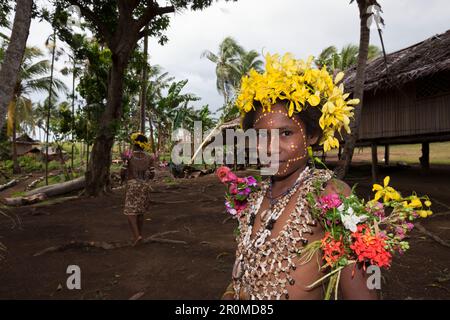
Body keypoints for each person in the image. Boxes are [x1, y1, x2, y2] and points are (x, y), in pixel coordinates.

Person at [221, 53, 378, 300]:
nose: (272, 148)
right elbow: (242, 274)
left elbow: (366, 288)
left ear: (312, 135)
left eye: (285, 133)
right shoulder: (253, 199)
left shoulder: (331, 196)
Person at [123, 133, 154, 246]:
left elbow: (123, 170)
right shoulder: (150, 157)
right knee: (140, 211)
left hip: (132, 185)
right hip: (144, 185)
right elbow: (152, 174)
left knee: (130, 212)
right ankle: (139, 235)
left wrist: (123, 178)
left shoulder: (128, 155)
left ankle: (137, 236)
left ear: (134, 143)